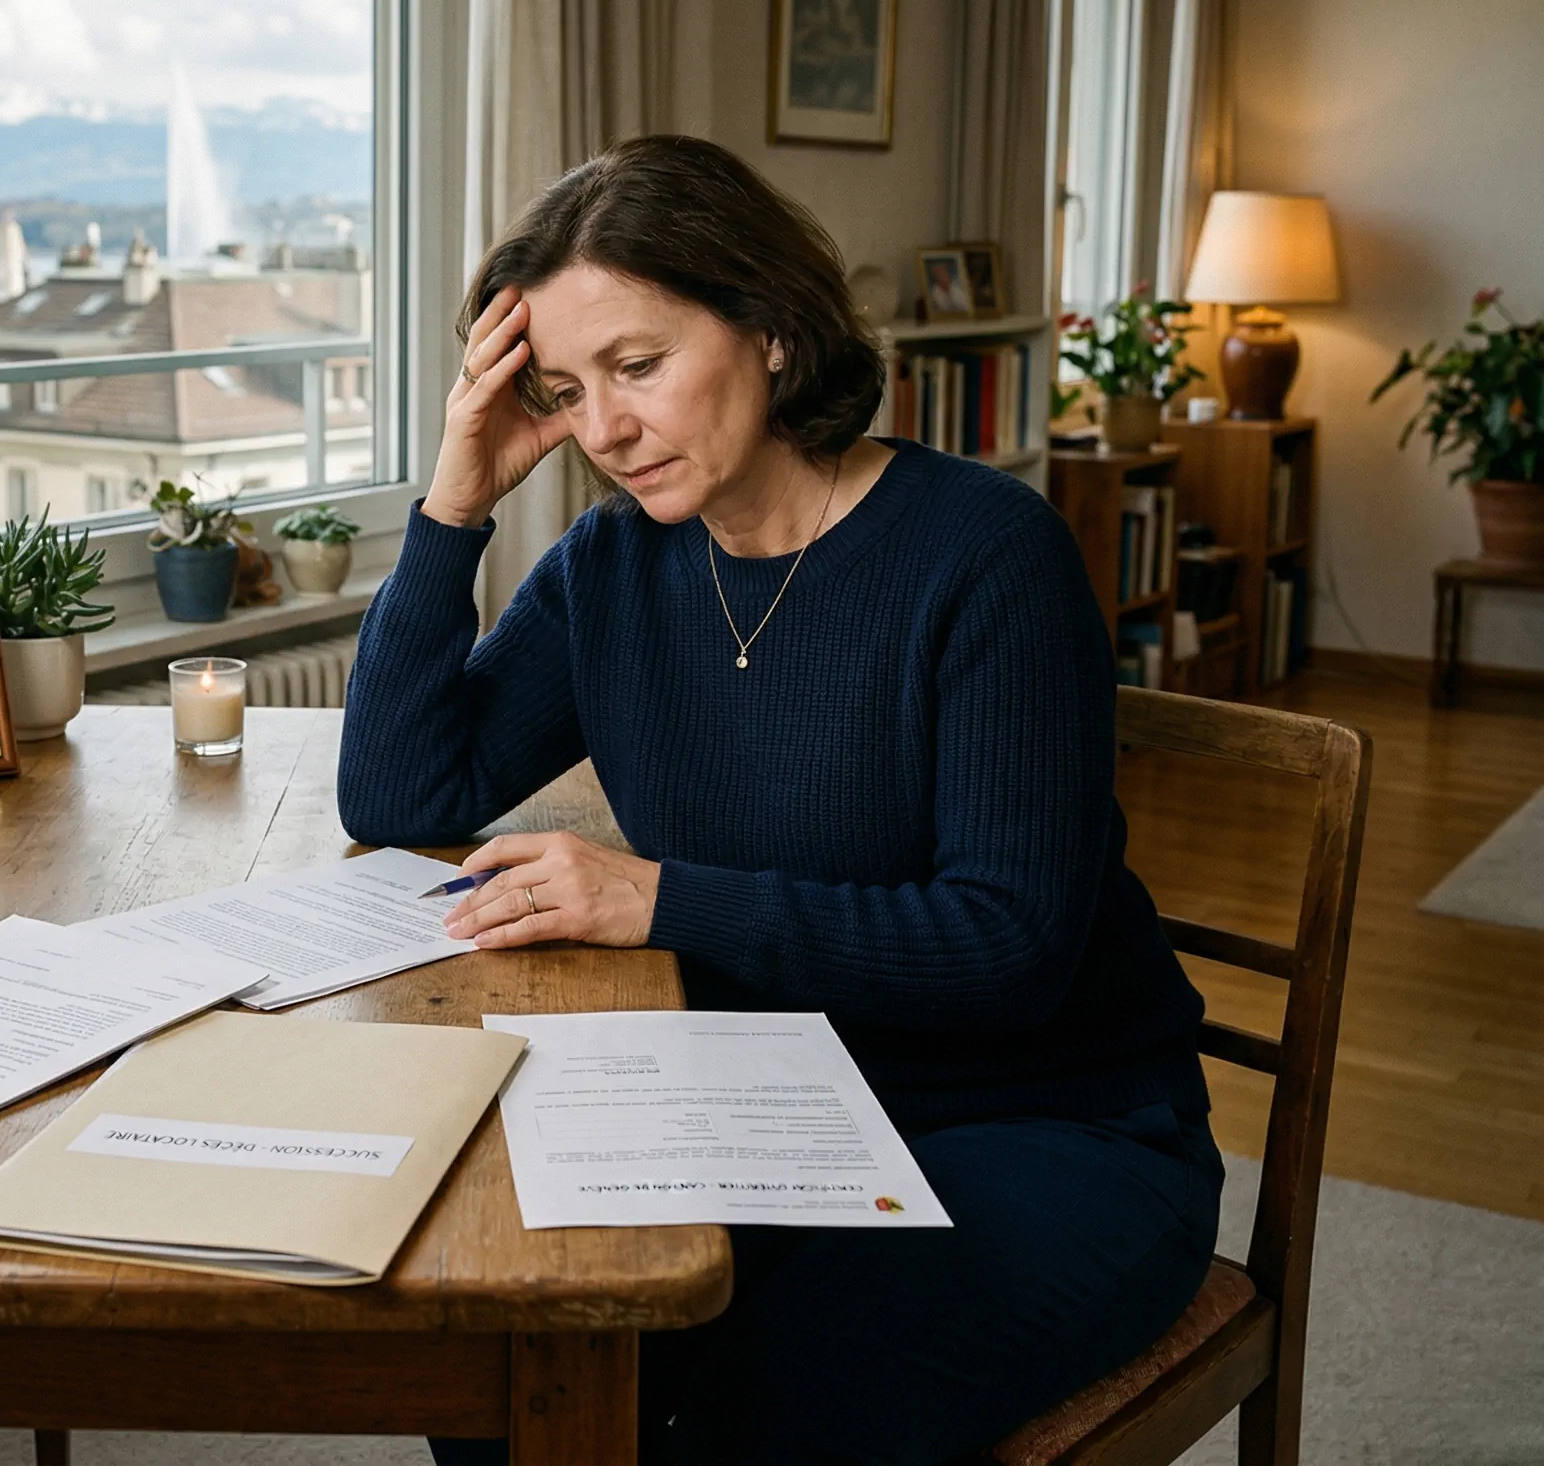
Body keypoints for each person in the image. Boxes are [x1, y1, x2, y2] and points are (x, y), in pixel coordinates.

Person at [338, 137, 1220, 1466]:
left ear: (771, 332)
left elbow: (1009, 951)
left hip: (1044, 1122)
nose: (605, 428)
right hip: (756, 1100)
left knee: (774, 1397)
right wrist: (455, 499)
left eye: (638, 365)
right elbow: (400, 791)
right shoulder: (614, 564)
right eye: (569, 390)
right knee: (506, 1342)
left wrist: (660, 900)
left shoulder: (985, 557)